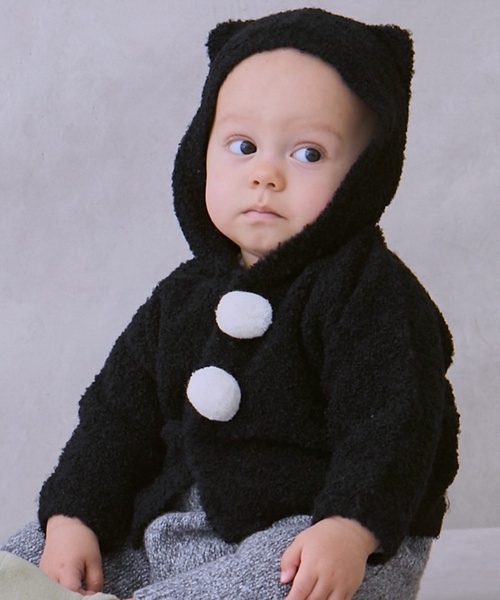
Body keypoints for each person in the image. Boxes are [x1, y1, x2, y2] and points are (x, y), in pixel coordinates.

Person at [0, 8, 459, 600]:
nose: (265, 174)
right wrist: (74, 516)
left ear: (365, 173)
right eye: (243, 146)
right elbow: (116, 416)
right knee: (28, 555)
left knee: (276, 573)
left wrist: (350, 525)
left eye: (309, 154)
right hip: (181, 525)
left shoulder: (371, 296)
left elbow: (395, 424)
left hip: (322, 532)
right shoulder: (181, 296)